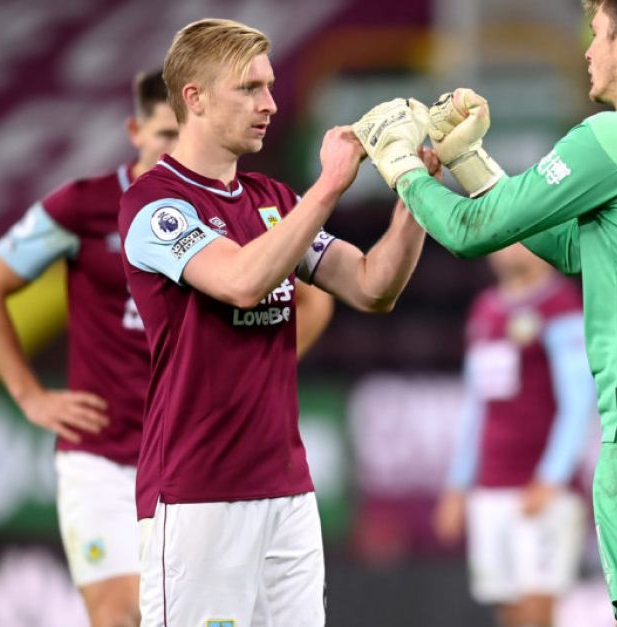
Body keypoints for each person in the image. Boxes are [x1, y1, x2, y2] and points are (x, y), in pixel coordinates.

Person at [352, 1, 617, 625]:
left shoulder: (615, 137)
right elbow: (576, 246)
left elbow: (474, 234)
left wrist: (404, 171)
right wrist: (472, 164)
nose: (587, 49)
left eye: (597, 34)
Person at [0, 69, 335, 627]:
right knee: (120, 615)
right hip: (103, 455)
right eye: (163, 135)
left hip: (198, 455)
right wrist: (29, 395)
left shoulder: (231, 206)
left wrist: (252, 377)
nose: (173, 148)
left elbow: (316, 300)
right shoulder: (82, 207)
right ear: (136, 130)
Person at [118, 19, 428, 627]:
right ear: (195, 98)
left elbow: (370, 287)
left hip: (286, 491)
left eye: (270, 85)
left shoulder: (273, 200)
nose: (271, 104)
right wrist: (332, 183)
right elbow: (240, 281)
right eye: (250, 88)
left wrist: (416, 188)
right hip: (197, 494)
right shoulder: (154, 204)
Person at [433, 243, 596, 627]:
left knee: (537, 610)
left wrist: (551, 478)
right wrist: (458, 485)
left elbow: (578, 401)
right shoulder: (486, 309)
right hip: (490, 486)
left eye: (519, 238)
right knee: (506, 609)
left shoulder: (560, 306)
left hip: (538, 489)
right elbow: (476, 405)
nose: (508, 250)